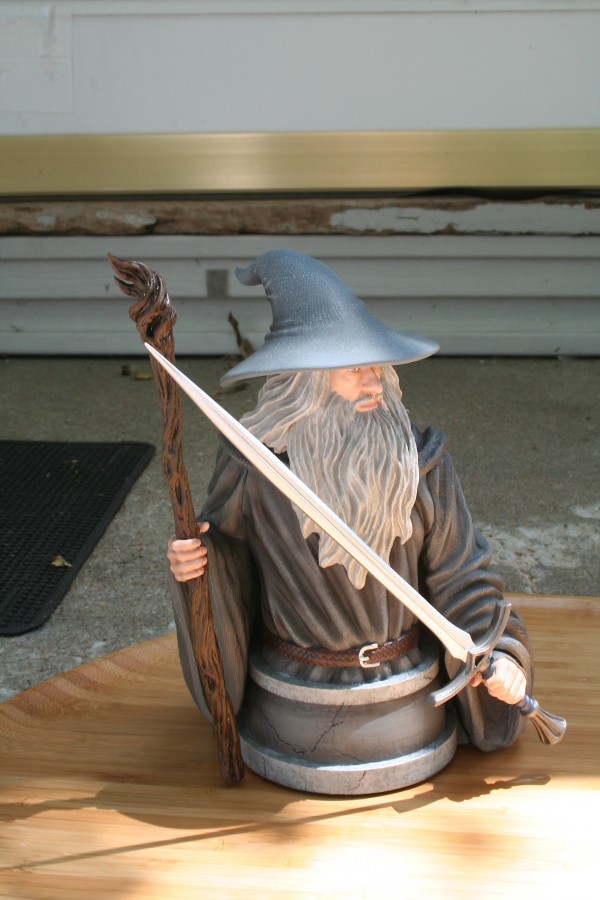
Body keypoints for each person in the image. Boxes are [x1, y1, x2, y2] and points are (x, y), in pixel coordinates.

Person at [166, 249, 531, 794]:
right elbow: (227, 558)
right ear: (306, 381)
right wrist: (199, 562)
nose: (373, 382)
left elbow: (461, 574)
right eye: (353, 369)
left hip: (410, 695)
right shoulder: (253, 465)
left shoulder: (423, 464)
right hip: (291, 698)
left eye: (376, 366)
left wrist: (497, 653)